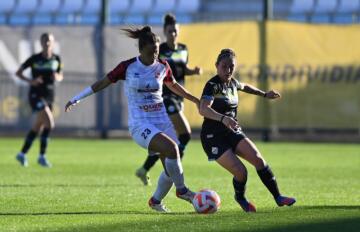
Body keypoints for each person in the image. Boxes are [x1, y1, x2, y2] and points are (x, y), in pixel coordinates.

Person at [65, 26, 199, 212]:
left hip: (162, 121)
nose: (155, 55)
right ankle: (183, 191)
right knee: (173, 149)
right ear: (141, 49)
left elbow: (174, 86)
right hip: (140, 124)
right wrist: (77, 97)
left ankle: (156, 201)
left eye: (157, 50)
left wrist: (195, 100)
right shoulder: (127, 67)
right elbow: (102, 83)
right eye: (152, 50)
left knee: (171, 167)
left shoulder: (162, 66)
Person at [199, 48, 296, 212]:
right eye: (224, 66)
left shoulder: (233, 83)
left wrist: (265, 94)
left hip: (231, 130)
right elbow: (203, 109)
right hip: (212, 137)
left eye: (232, 66)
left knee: (259, 160)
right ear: (216, 65)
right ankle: (241, 198)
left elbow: (245, 87)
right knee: (241, 172)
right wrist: (223, 118)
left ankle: (278, 197)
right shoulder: (212, 85)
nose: (228, 70)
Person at [135, 13, 202, 186]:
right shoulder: (160, 49)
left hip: (179, 96)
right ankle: (173, 165)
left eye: (175, 31)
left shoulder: (183, 49)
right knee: (185, 134)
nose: (173, 34)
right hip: (165, 97)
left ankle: (146, 168)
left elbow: (182, 68)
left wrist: (192, 71)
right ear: (165, 31)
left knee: (170, 140)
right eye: (170, 31)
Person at [15, 33, 63, 168]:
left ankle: (22, 154)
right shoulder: (34, 59)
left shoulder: (56, 59)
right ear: (41, 43)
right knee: (50, 124)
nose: (47, 43)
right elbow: (18, 72)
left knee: (38, 126)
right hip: (36, 95)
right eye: (45, 40)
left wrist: (57, 77)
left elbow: (60, 75)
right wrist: (31, 81)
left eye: (49, 41)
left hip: (49, 96)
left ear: (53, 43)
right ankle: (42, 156)